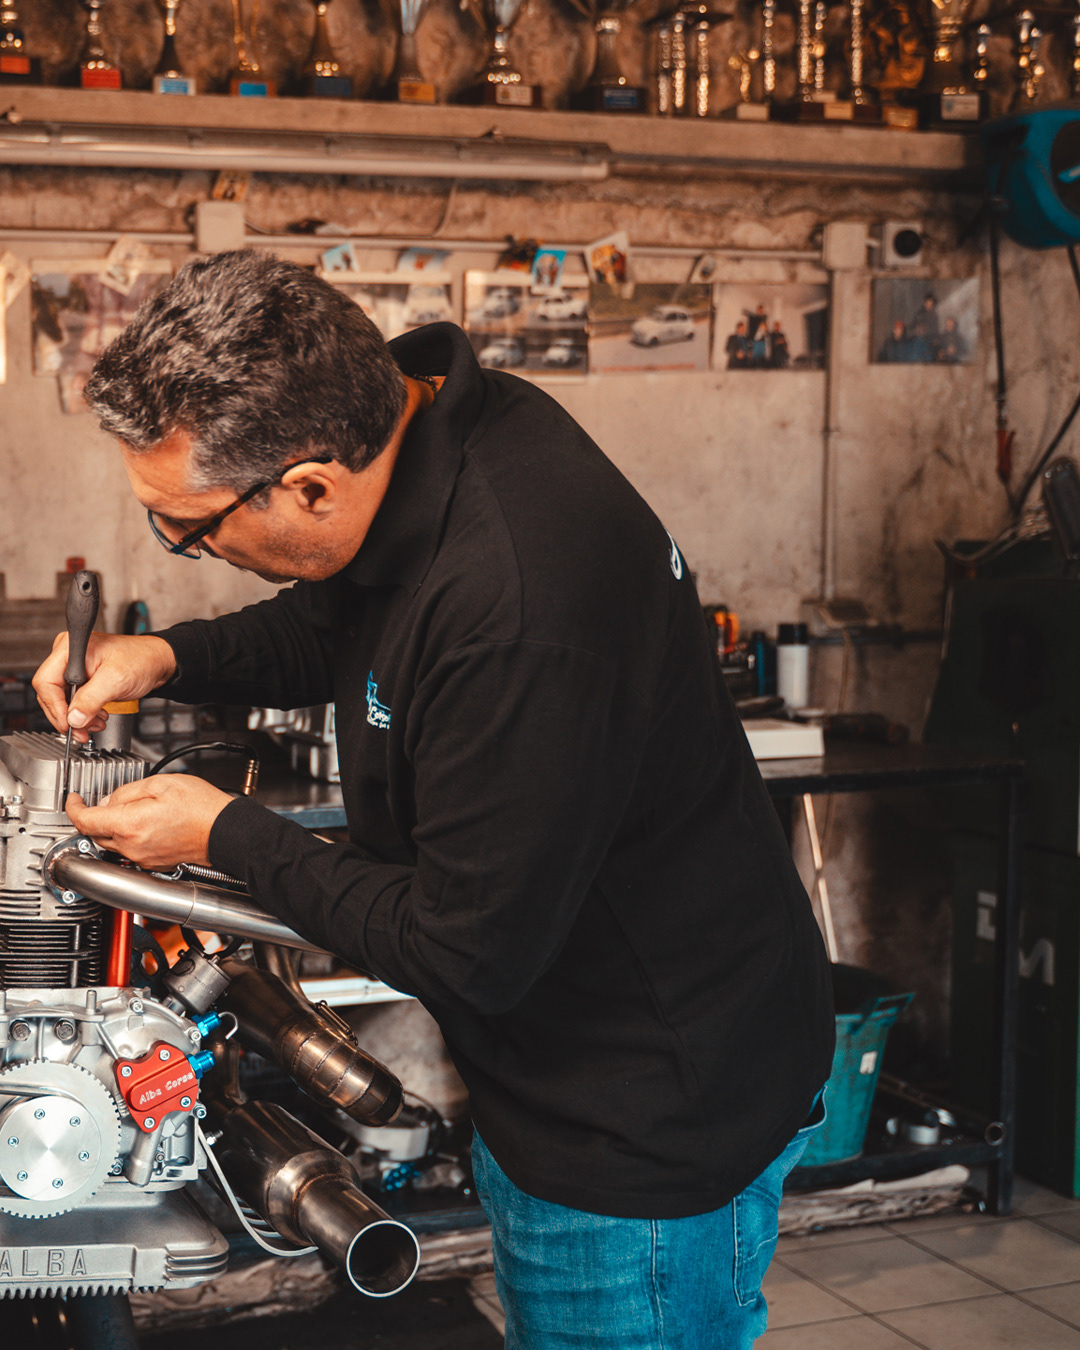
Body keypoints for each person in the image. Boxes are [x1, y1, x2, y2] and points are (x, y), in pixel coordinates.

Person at [33, 252, 833, 1350]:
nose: (189, 549)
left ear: (312, 485)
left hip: (642, 1116)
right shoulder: (433, 430)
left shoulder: (518, 605)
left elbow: (469, 951)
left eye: (191, 526)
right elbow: (336, 615)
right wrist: (168, 656)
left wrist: (223, 831)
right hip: (562, 1067)